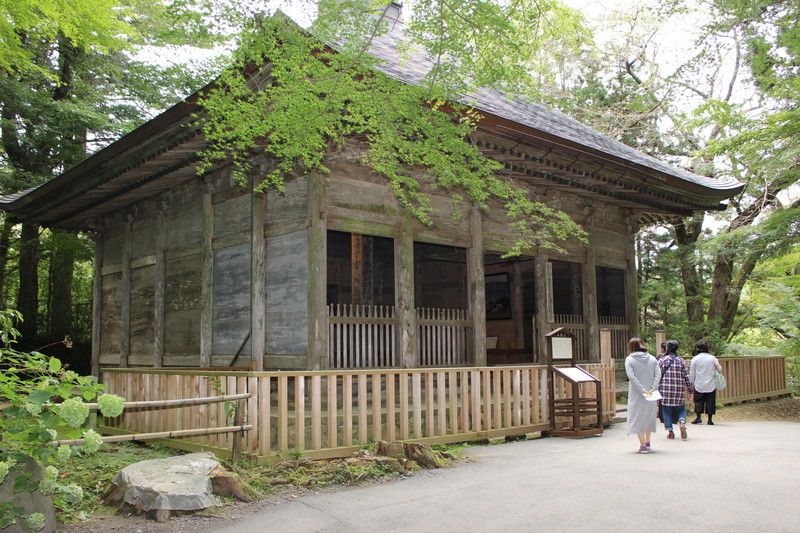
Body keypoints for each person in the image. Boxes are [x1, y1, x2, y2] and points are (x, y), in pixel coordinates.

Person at [624, 337, 660, 454]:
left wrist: (642, 390)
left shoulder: (630, 359)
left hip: (637, 393)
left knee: (638, 416)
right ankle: (648, 441)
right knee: (649, 416)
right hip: (651, 392)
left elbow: (631, 377)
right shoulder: (652, 358)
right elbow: (658, 375)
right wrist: (652, 388)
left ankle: (642, 445)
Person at [658, 340, 693, 440]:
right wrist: (690, 390)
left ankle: (670, 432)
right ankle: (682, 422)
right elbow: (687, 376)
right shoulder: (681, 361)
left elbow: (657, 375)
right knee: (681, 408)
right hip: (679, 389)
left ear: (667, 348)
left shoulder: (662, 360)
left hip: (665, 389)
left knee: (666, 410)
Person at [689, 340, 722, 425]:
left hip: (699, 383)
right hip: (711, 383)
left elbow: (692, 373)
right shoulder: (712, 358)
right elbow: (719, 368)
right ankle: (710, 419)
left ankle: (698, 417)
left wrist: (691, 383)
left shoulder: (695, 359)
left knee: (698, 401)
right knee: (710, 401)